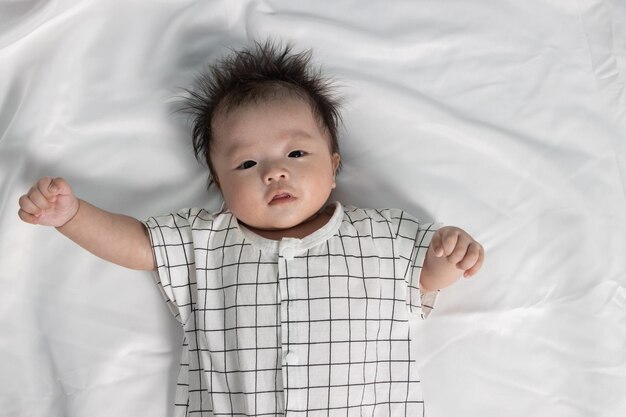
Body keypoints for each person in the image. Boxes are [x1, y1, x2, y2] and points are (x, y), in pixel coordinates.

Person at [18, 40, 484, 416]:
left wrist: (449, 256)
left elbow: (425, 280)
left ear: (335, 166)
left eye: (296, 154)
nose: (274, 172)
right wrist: (73, 216)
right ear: (220, 185)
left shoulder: (380, 234)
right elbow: (138, 244)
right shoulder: (206, 242)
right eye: (247, 162)